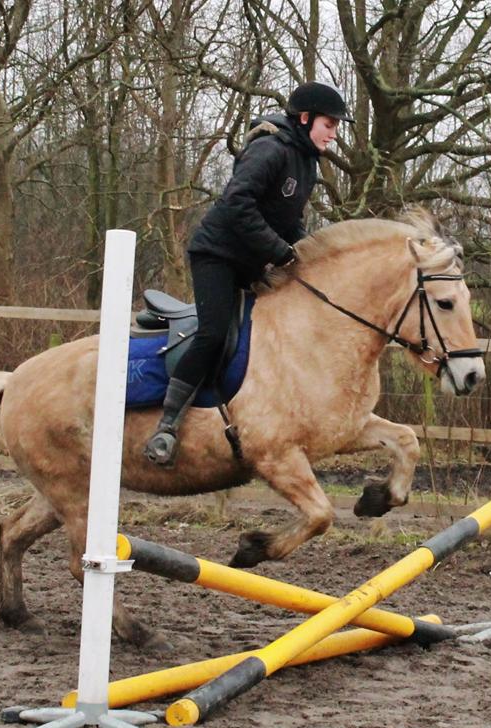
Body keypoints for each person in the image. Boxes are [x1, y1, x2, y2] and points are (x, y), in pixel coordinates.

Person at [143, 81, 354, 467]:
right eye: (329, 123)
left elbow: (291, 223)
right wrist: (279, 252)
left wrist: (310, 258)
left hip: (252, 259)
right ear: (305, 119)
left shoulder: (307, 161)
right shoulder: (270, 149)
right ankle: (167, 427)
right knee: (215, 331)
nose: (334, 132)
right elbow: (238, 203)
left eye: (336, 126)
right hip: (217, 255)